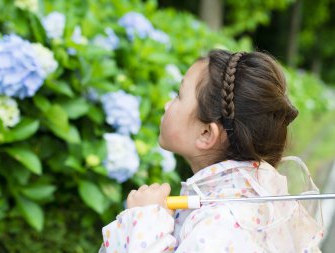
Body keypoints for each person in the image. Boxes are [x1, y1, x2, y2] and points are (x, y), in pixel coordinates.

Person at [99, 50, 324, 252]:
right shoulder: (255, 198)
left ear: (206, 133)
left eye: (178, 95)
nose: (167, 104)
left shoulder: (220, 228)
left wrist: (145, 221)